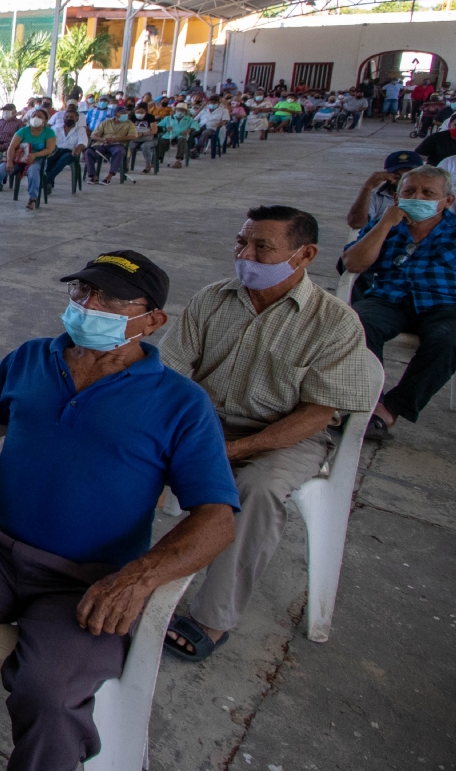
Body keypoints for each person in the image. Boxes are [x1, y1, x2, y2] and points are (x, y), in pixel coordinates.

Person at [0, 251, 236, 771]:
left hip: (90, 579)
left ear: (152, 320)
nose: (87, 305)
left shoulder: (180, 402)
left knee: (49, 692)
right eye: (81, 292)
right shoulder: (31, 357)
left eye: (108, 298)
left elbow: (216, 517)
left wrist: (137, 579)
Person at [154, 207, 381, 663]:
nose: (245, 255)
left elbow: (317, 414)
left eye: (262, 247)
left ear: (305, 254)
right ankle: (104, 569)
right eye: (241, 242)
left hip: (285, 433)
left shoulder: (333, 322)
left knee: (258, 489)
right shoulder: (213, 298)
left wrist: (235, 449)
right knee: (124, 448)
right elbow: (171, 372)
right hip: (208, 418)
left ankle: (212, 619)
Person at [342, 165, 456, 438]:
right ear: (397, 197)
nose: (418, 197)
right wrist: (384, 225)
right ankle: (367, 403)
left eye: (428, 193)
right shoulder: (387, 224)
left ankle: (392, 408)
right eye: (410, 191)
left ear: (447, 201)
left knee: (449, 339)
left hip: (444, 304)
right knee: (357, 322)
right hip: (389, 298)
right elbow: (353, 263)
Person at [346, 151, 423, 230]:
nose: (402, 181)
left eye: (408, 176)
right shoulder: (375, 196)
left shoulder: (429, 197)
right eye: (397, 175)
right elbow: (356, 224)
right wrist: (367, 188)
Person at [85, 110, 137, 184]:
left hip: (118, 144)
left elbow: (133, 136)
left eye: (126, 114)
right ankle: (93, 176)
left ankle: (109, 176)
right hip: (103, 144)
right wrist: (103, 139)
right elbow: (93, 135)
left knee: (119, 151)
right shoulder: (106, 122)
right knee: (89, 151)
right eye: (123, 113)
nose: (125, 115)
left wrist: (116, 139)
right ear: (116, 114)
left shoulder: (129, 124)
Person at [45, 106, 88, 194]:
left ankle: (46, 179)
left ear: (77, 119)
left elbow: (82, 142)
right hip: (57, 150)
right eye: (67, 117)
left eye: (72, 117)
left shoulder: (80, 130)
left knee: (63, 159)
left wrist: (77, 148)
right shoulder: (57, 129)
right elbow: (50, 141)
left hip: (71, 152)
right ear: (63, 118)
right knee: (49, 159)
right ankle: (48, 184)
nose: (69, 119)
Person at [157, 103, 198, 167]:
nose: (180, 112)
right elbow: (159, 126)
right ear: (175, 110)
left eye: (183, 110)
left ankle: (179, 161)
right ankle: (158, 158)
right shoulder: (168, 118)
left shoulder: (189, 119)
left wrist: (189, 130)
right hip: (169, 135)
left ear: (186, 112)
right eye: (179, 110)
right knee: (162, 141)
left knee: (182, 141)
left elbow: (196, 125)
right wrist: (165, 128)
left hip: (181, 135)